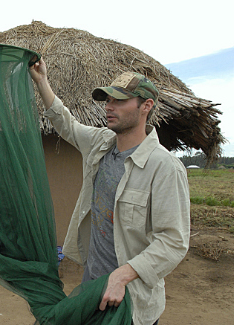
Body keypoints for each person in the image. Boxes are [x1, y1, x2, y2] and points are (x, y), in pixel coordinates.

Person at [29, 58, 190, 325]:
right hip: (93, 290)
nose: (109, 107)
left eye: (119, 101)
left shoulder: (164, 167)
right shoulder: (101, 143)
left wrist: (122, 275)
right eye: (107, 100)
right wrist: (41, 81)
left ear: (145, 106)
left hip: (132, 302)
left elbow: (173, 242)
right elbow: (65, 123)